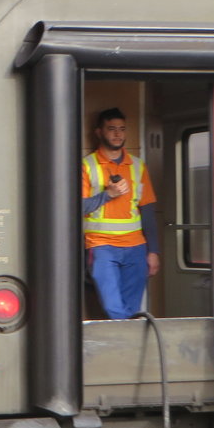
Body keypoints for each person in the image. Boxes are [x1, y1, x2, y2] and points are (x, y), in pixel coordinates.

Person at [81, 107, 160, 320]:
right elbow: (77, 207)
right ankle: (126, 348)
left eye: (122, 129)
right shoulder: (87, 166)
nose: (118, 134)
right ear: (99, 132)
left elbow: (148, 210)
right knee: (114, 308)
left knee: (132, 310)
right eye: (112, 129)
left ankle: (127, 349)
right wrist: (108, 195)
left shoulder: (137, 165)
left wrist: (153, 251)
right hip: (101, 245)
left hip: (136, 246)